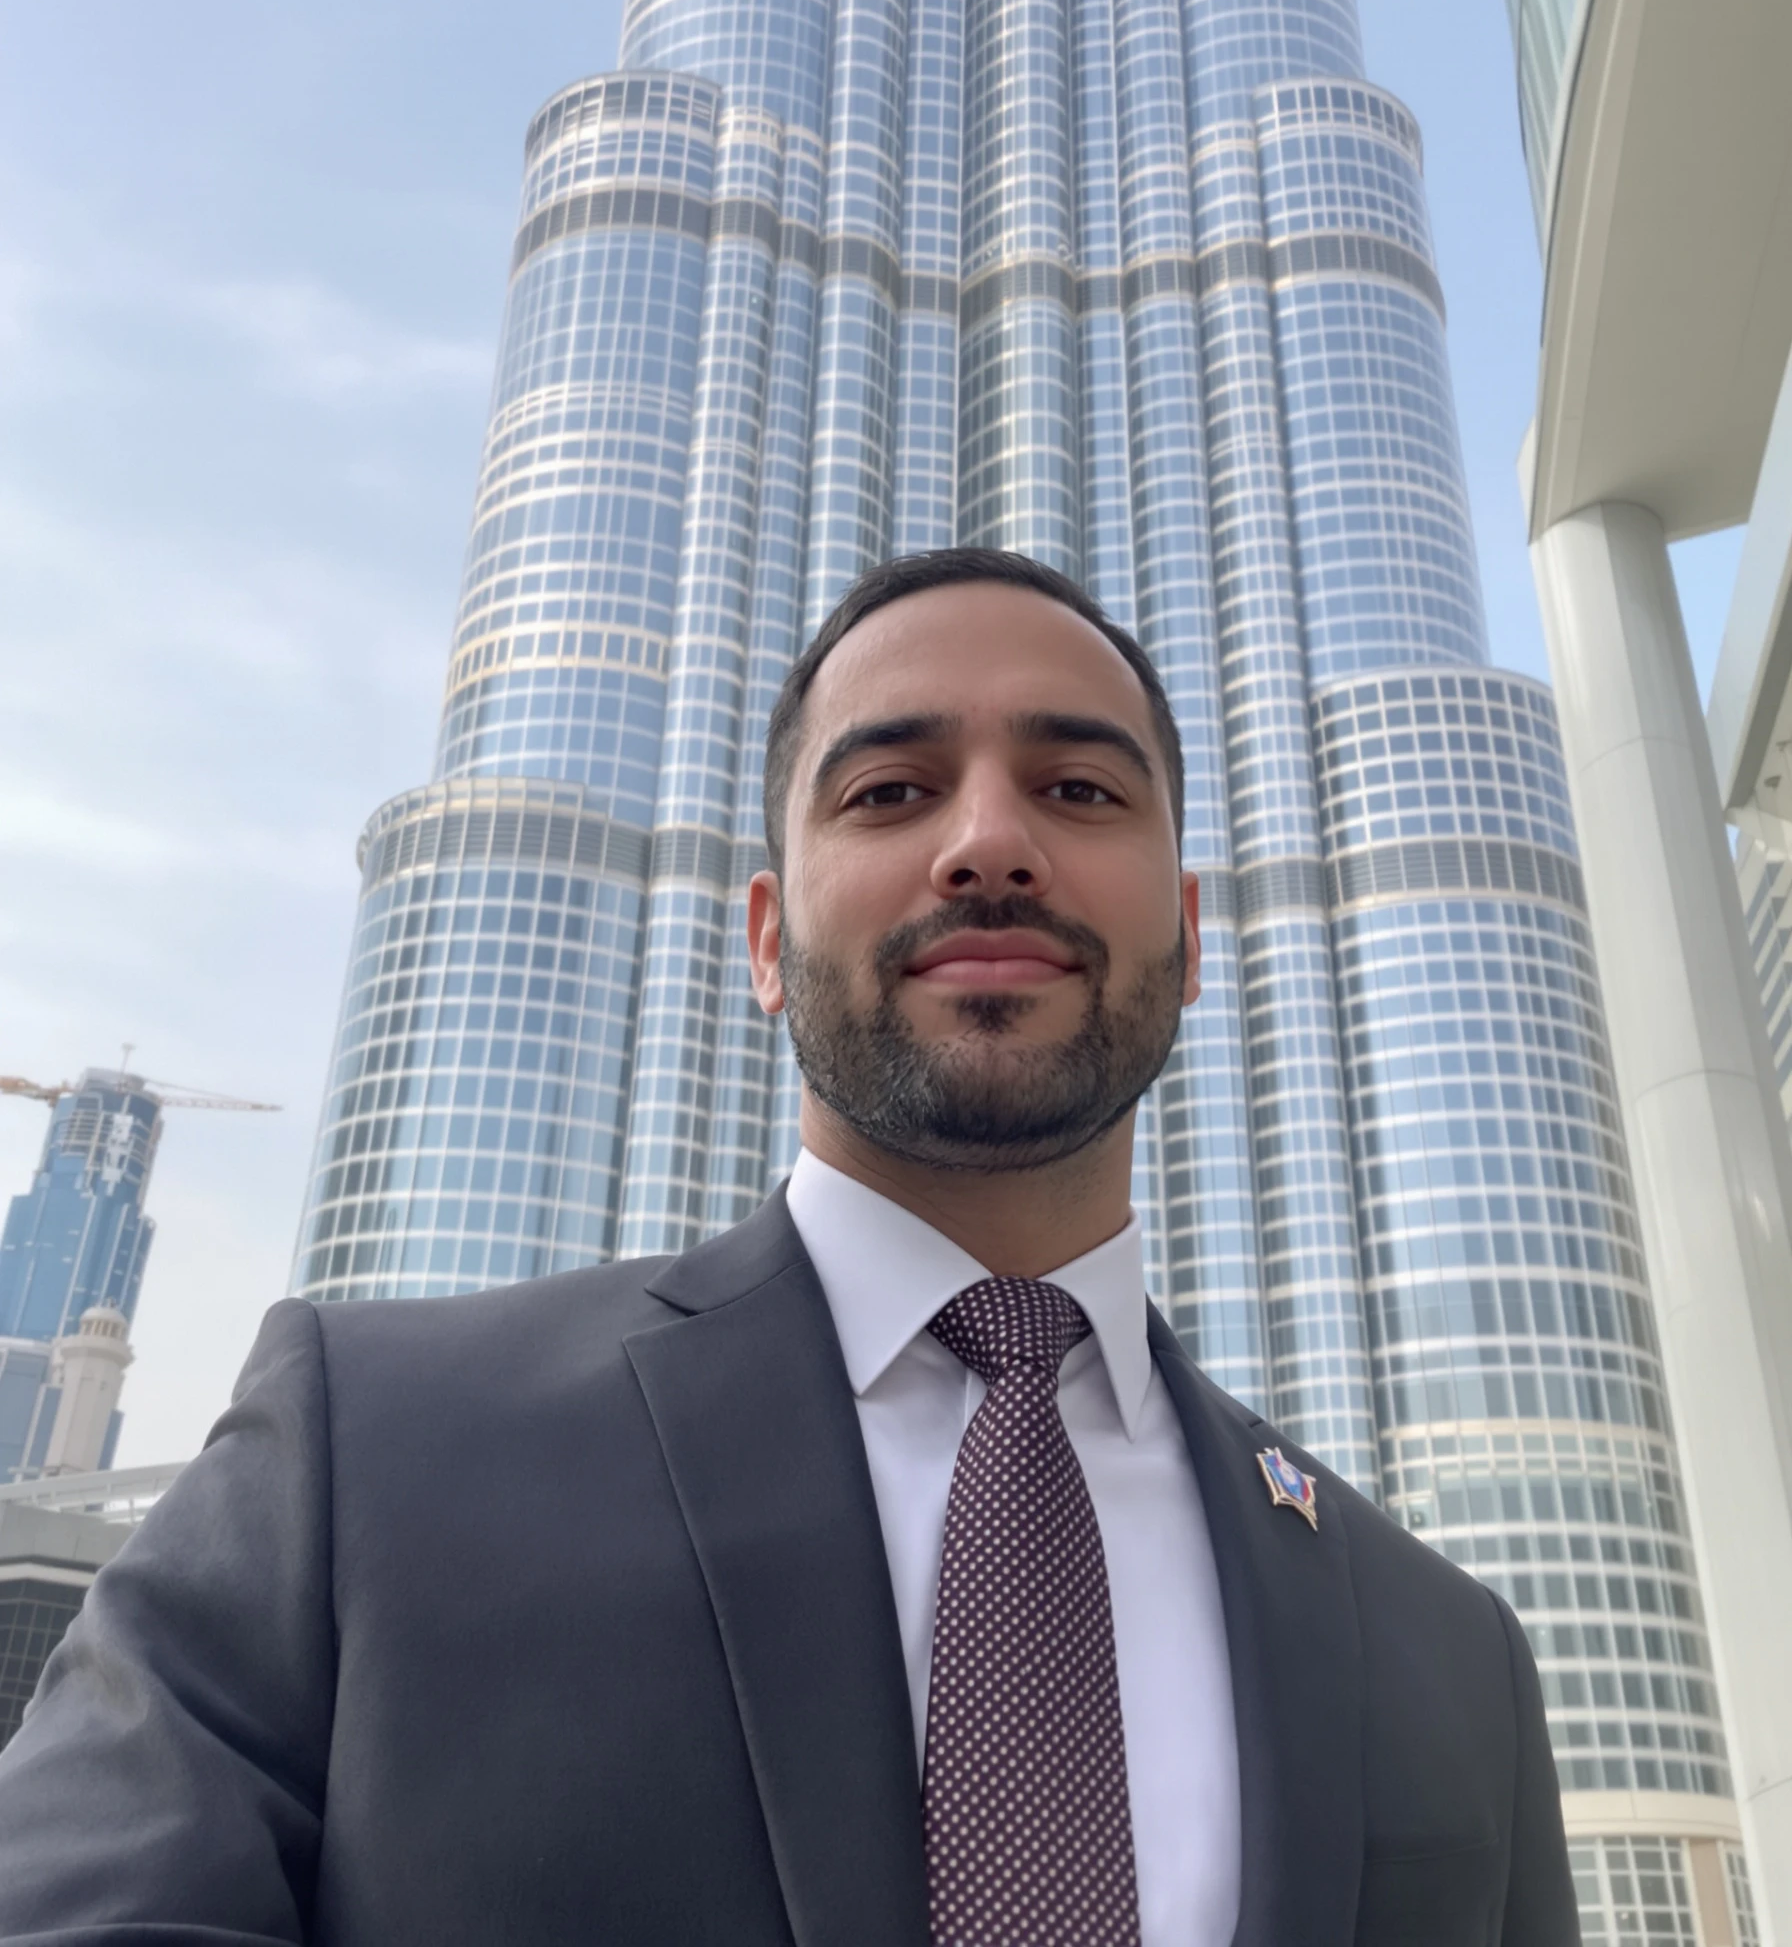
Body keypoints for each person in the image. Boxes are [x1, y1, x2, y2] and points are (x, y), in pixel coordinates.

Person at [0, 548, 1576, 1946]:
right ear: (767, 940)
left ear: (1190, 933)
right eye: (890, 791)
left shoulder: (1450, 1654)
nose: (990, 844)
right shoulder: (361, 1453)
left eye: (1081, 791)